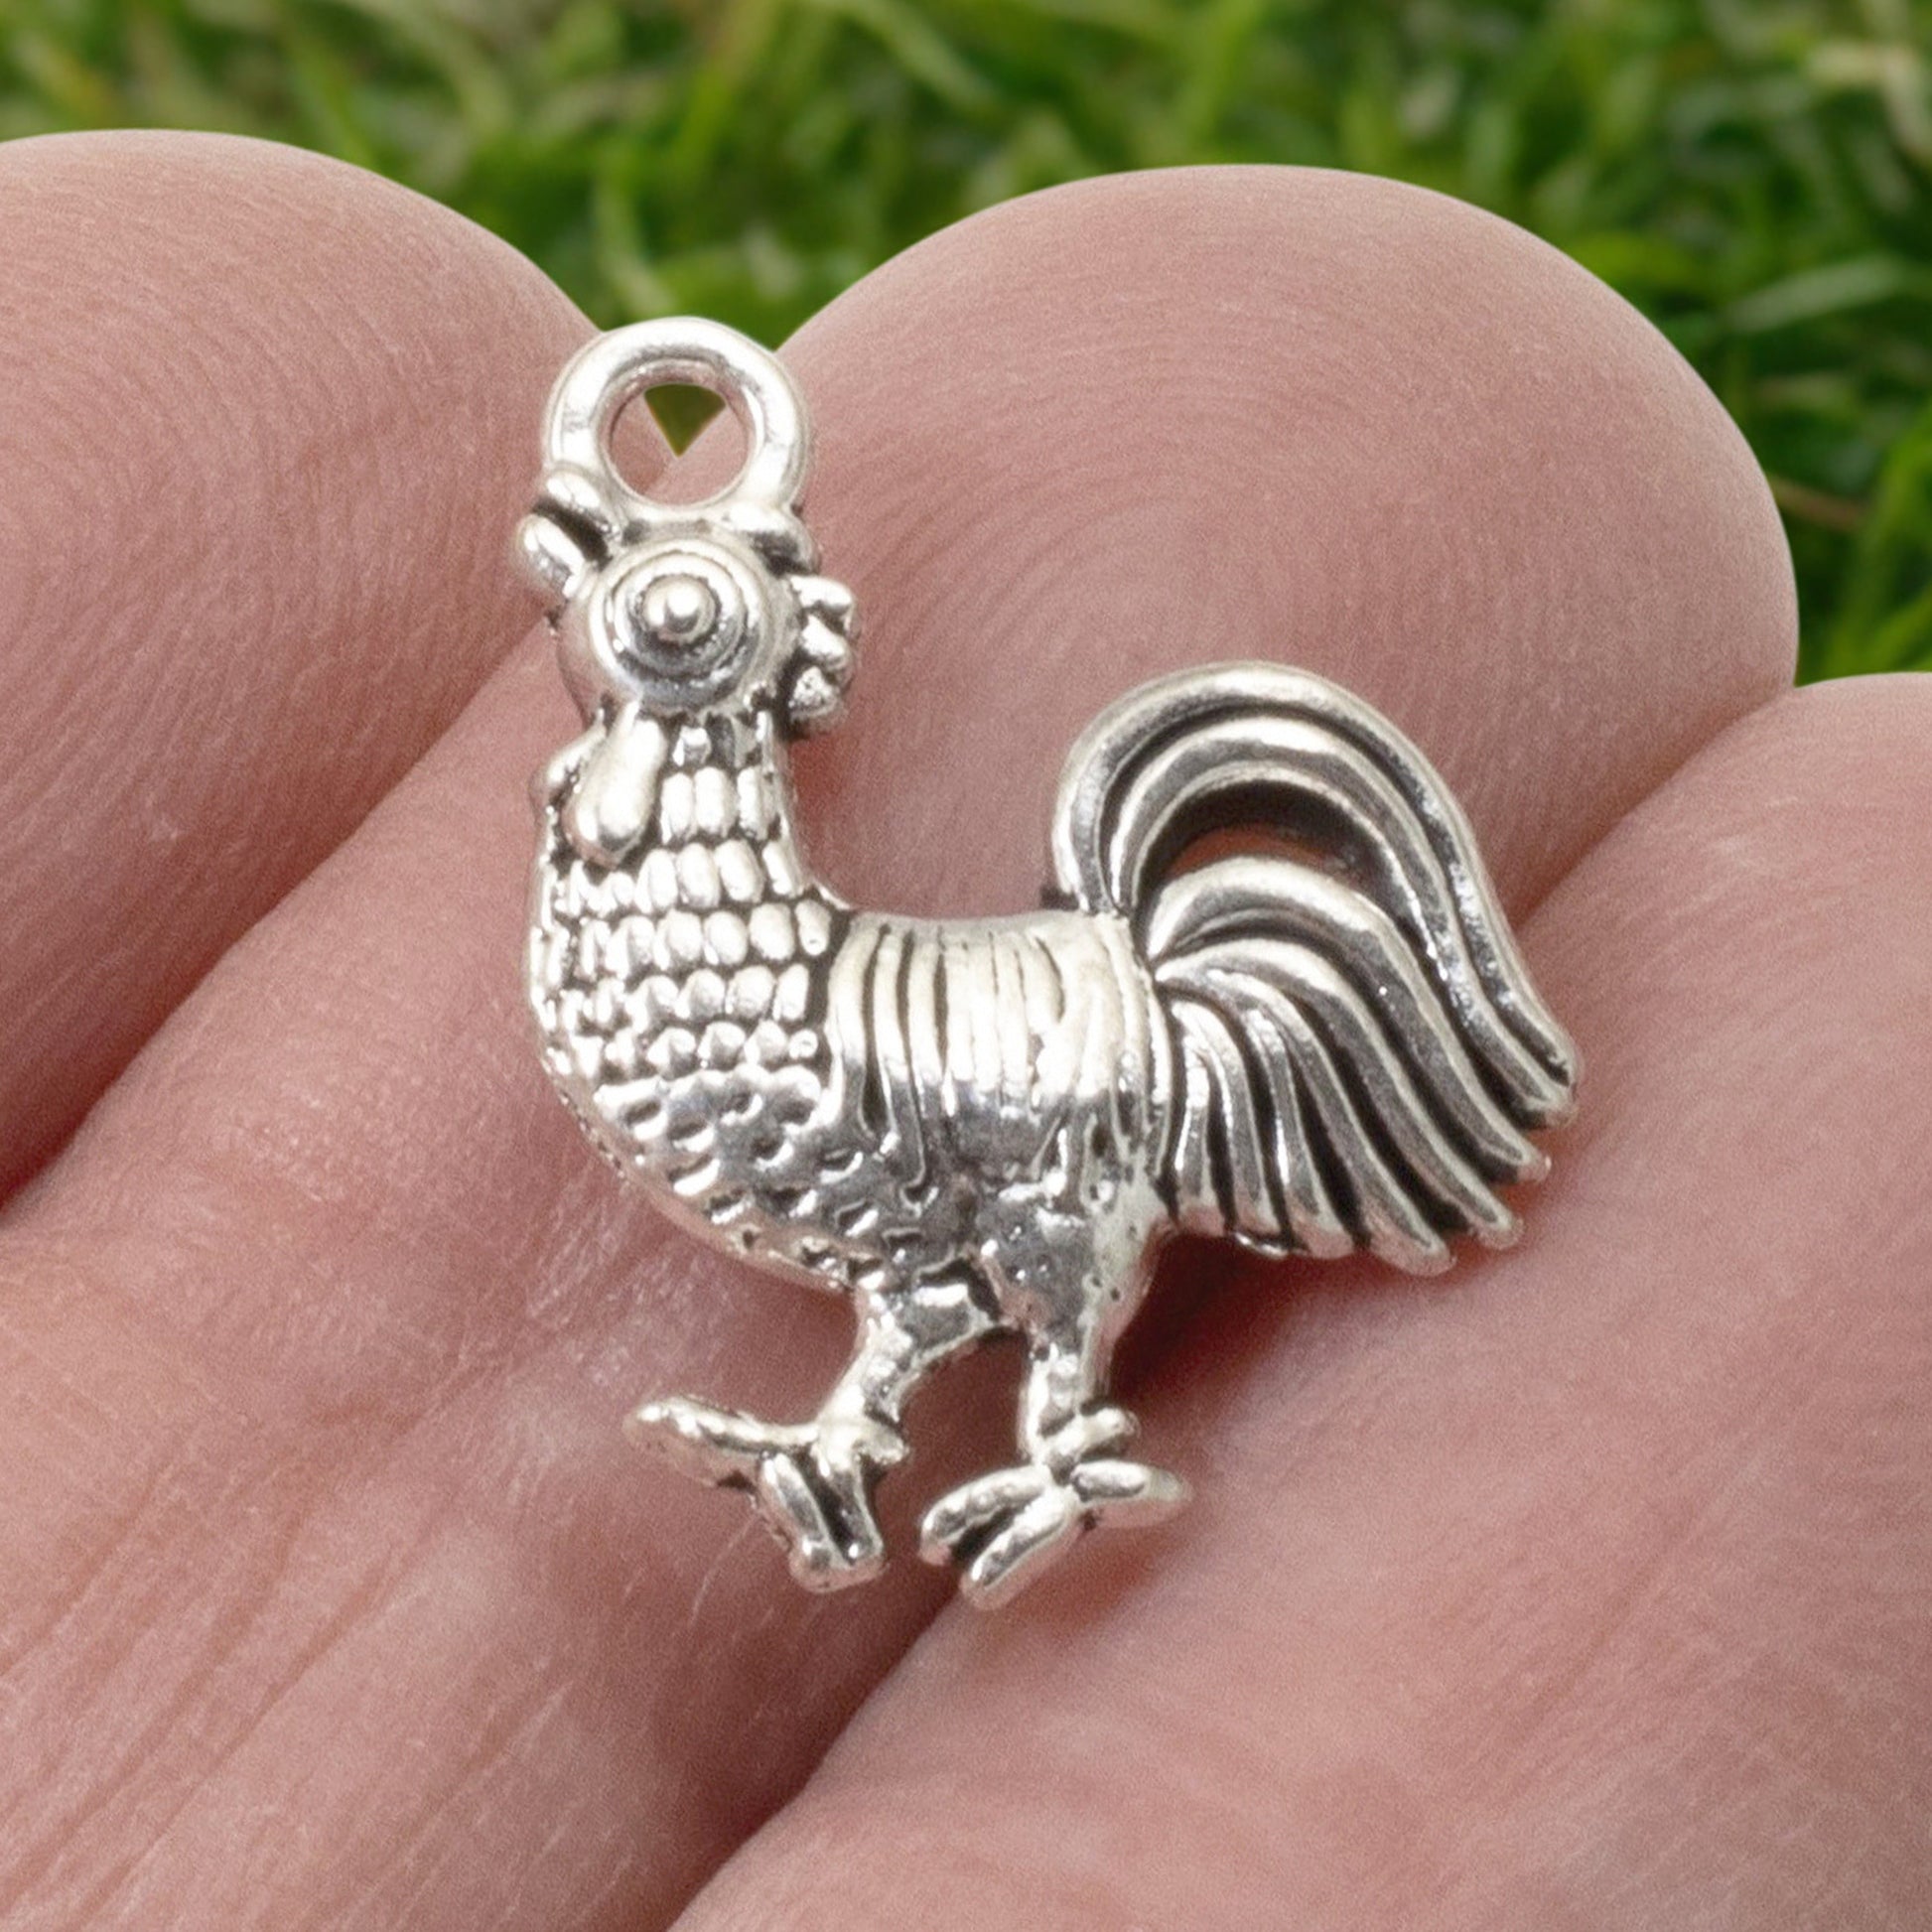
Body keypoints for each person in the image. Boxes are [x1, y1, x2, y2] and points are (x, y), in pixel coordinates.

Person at [0, 131, 1925, 1930]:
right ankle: (858, 1437)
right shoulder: (651, 845)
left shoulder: (741, 850)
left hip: (1044, 1109)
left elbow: (1009, 1200)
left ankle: (1065, 1428)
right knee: (906, 1236)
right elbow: (883, 1214)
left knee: (1000, 1215)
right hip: (901, 1103)